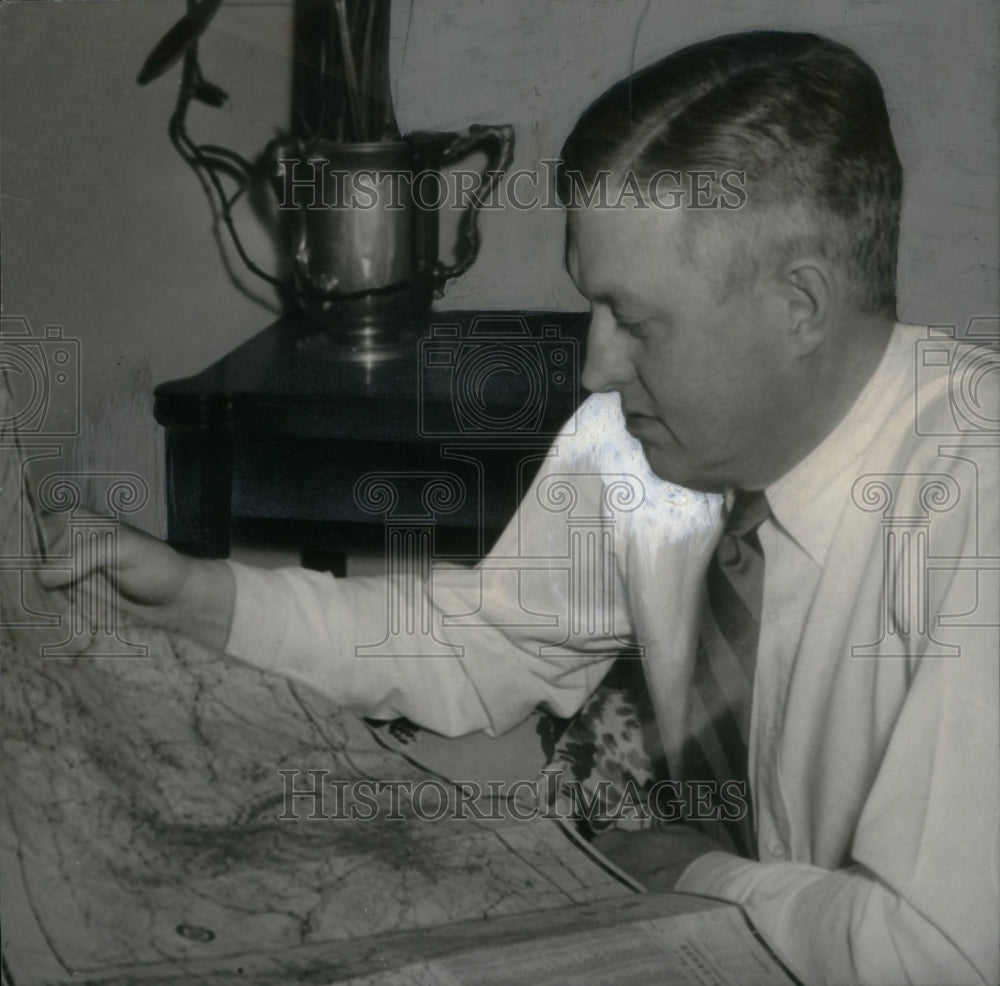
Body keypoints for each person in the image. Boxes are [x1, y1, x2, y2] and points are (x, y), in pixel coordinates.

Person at [45, 31, 998, 986]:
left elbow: (936, 954)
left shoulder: (977, 507)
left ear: (801, 304)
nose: (596, 365)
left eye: (635, 320)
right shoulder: (636, 440)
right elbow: (486, 639)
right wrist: (202, 600)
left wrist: (692, 873)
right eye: (593, 307)